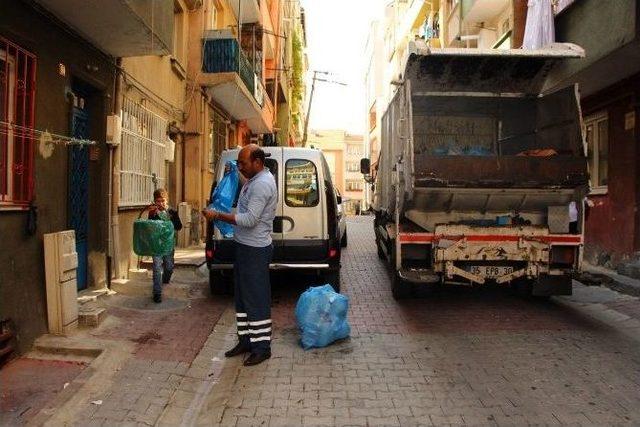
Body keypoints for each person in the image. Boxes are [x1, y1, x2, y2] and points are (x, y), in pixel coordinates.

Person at [202, 144, 277, 366]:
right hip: (245, 247)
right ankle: (246, 340)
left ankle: (262, 347)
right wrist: (235, 176)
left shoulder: (262, 184)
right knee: (243, 298)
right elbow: (247, 187)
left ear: (257, 162)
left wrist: (218, 215)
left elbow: (249, 219)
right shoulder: (256, 180)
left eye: (243, 163)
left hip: (255, 250)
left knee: (256, 298)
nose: (240, 166)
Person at [148, 188, 182, 303]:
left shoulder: (172, 211)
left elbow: (179, 226)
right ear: (155, 201)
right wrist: (153, 215)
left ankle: (166, 279)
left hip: (168, 244)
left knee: (168, 267)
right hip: (156, 244)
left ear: (166, 201)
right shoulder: (152, 212)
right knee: (157, 268)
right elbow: (150, 227)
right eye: (158, 201)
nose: (160, 203)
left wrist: (170, 216)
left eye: (162, 201)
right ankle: (157, 293)